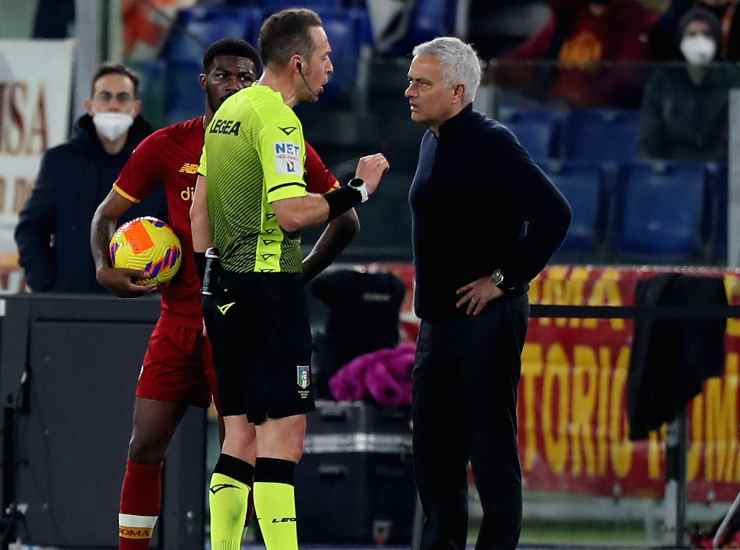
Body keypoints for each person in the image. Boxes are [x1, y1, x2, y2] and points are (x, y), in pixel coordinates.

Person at [90, 38, 359, 549]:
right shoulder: (168, 145)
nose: (233, 84)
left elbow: (343, 219)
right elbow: (105, 216)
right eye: (223, 76)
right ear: (203, 81)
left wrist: (297, 274)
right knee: (146, 441)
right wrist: (105, 268)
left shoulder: (272, 135)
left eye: (243, 76)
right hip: (180, 319)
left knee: (249, 445)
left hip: (236, 320)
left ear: (257, 78)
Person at [191, 8, 389, 549]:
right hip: (267, 289)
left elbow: (199, 212)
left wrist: (213, 280)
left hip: (223, 288)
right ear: (297, 61)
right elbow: (290, 213)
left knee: (237, 435)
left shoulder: (228, 110)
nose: (331, 68)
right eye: (325, 58)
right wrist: (359, 190)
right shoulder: (278, 119)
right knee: (283, 439)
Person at [405, 37, 571, 549]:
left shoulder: (492, 142)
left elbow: (554, 215)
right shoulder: (431, 140)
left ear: (457, 91)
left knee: (490, 449)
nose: (408, 90)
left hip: (486, 323)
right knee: (434, 454)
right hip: (438, 324)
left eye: (421, 83)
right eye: (410, 79)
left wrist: (503, 280)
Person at [15, 62, 164, 293]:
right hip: (69, 304)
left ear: (136, 107)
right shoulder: (60, 162)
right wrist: (45, 286)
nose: (113, 105)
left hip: (137, 304)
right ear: (90, 105)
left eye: (122, 98)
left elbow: (173, 229)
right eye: (105, 96)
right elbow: (31, 229)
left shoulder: (155, 164)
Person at [497, 0, 658, 107]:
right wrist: (498, 69)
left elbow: (628, 72)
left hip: (602, 117)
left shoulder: (633, 20)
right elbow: (527, 55)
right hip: (557, 109)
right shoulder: (568, 16)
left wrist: (591, 94)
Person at [640, 7, 740, 161]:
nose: (699, 41)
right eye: (691, 34)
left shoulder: (733, 78)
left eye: (706, 34)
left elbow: (733, 140)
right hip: (673, 172)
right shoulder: (662, 80)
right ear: (681, 39)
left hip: (719, 171)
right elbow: (650, 139)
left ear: (717, 39)